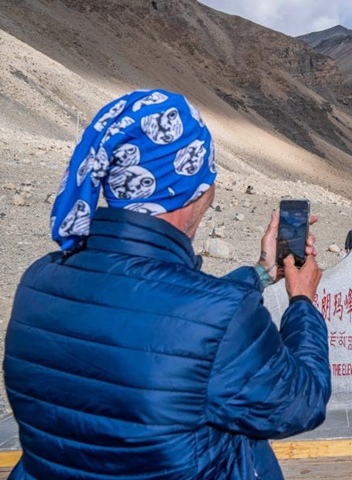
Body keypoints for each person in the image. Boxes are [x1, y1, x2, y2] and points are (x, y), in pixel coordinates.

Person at [3, 90, 331, 479]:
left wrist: (261, 272)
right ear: (195, 189)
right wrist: (303, 301)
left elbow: (172, 314)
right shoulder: (217, 316)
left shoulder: (39, 281)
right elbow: (300, 402)